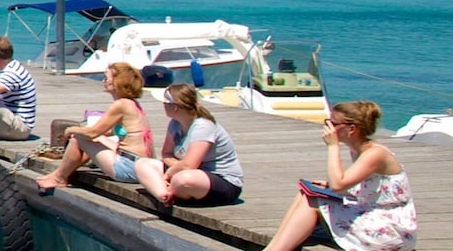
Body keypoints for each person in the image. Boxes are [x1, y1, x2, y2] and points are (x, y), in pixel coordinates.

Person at [263, 101, 417, 251]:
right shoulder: (359, 150)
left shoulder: (375, 153)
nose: (328, 127)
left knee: (311, 200)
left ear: (352, 129)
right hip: (374, 216)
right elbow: (365, 189)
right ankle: (275, 246)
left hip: (391, 231)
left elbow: (338, 185)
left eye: (333, 124)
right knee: (307, 192)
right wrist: (328, 186)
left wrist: (332, 146)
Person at [35, 62, 154, 191]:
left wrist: (70, 130)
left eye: (106, 78)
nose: (103, 81)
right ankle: (59, 173)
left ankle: (59, 177)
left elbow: (92, 133)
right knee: (91, 139)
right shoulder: (132, 104)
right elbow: (107, 132)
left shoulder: (121, 105)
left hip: (128, 168)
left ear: (117, 83)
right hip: (141, 165)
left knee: (78, 138)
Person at [132, 84, 244, 206]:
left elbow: (190, 165)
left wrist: (169, 174)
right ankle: (164, 195)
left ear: (175, 107)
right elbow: (166, 154)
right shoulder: (175, 123)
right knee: (142, 164)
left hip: (222, 181)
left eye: (165, 102)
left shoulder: (203, 126)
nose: (163, 105)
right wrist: (177, 168)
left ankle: (169, 189)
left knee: (183, 180)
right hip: (189, 171)